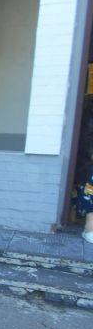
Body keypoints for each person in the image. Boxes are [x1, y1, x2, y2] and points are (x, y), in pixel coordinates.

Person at [73, 96, 93, 243]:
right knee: (89, 189)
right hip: (86, 161)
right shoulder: (89, 111)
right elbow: (85, 139)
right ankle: (89, 228)